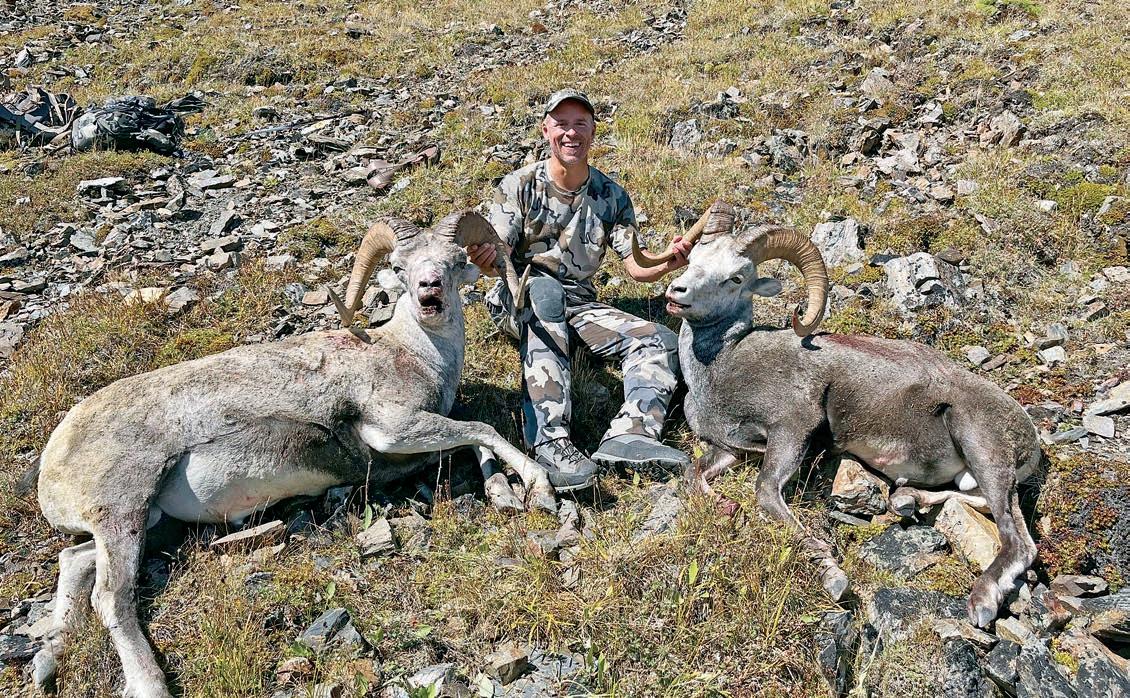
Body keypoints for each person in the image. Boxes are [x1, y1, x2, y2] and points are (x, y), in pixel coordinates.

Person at [468, 89, 693, 491]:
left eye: (580, 124)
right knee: (545, 294)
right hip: (517, 294)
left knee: (659, 340)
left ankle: (631, 435)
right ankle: (548, 441)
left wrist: (667, 263)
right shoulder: (519, 185)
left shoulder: (611, 196)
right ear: (546, 130)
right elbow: (497, 255)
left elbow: (636, 267)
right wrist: (486, 260)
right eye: (561, 124)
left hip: (577, 304)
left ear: (592, 131)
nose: (571, 133)